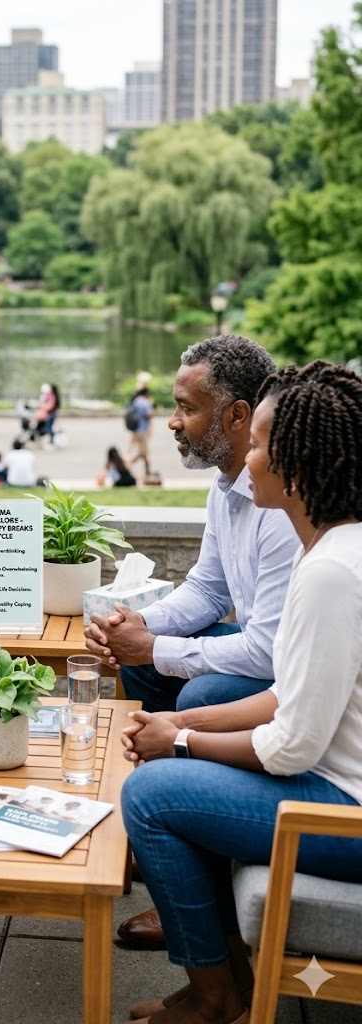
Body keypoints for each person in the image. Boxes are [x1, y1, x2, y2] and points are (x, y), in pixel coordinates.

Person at [119, 359, 362, 1024]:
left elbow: (290, 747)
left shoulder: (332, 572)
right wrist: (172, 730)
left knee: (150, 795)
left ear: (296, 460)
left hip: (343, 810)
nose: (247, 460)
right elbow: (289, 695)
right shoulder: (337, 550)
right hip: (334, 781)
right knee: (171, 736)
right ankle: (222, 964)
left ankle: (213, 998)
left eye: (256, 446)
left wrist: (185, 742)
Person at [84, 334, 300, 951]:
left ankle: (185, 872)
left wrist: (155, 654)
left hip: (277, 663)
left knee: (191, 679)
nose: (172, 422)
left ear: (236, 415)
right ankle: (177, 879)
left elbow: (269, 651)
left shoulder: (282, 508)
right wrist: (137, 629)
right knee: (158, 670)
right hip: (270, 655)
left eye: (187, 408)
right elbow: (207, 589)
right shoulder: (226, 486)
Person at [127, 385, 154, 479]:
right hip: (142, 430)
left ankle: (148, 472)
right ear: (146, 393)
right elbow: (149, 415)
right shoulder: (144, 402)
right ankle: (128, 464)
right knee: (143, 452)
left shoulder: (135, 401)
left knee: (145, 453)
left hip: (136, 430)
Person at [32, 383, 60, 448]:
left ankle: (51, 441)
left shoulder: (51, 396)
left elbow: (49, 406)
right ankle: (51, 440)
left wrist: (41, 407)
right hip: (51, 414)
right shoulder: (53, 396)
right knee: (49, 428)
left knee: (48, 428)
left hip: (50, 415)